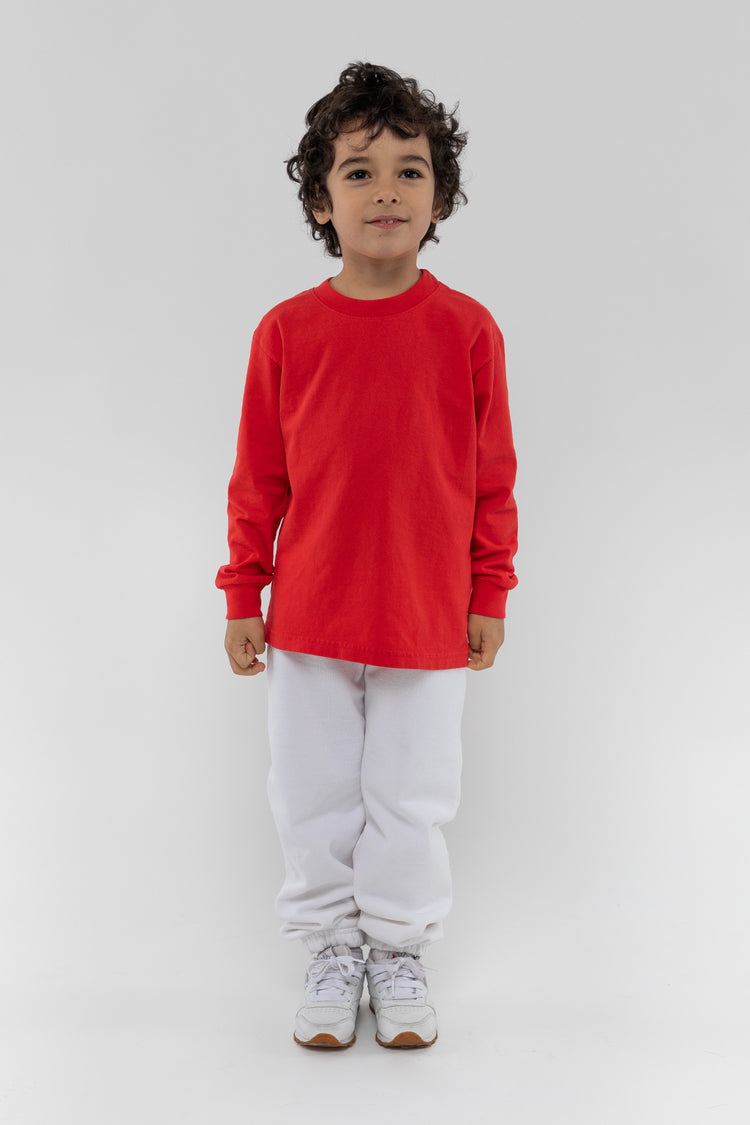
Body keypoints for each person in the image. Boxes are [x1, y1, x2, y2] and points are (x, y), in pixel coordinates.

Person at [216, 61, 518, 1050]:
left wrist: (490, 590)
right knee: (311, 792)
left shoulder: (468, 330)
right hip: (309, 613)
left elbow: (492, 477)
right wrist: (243, 592)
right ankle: (329, 945)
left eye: (409, 170)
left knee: (412, 795)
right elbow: (258, 478)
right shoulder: (286, 332)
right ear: (320, 200)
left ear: (440, 197)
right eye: (359, 171)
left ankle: (396, 948)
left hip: (428, 613)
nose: (386, 190)